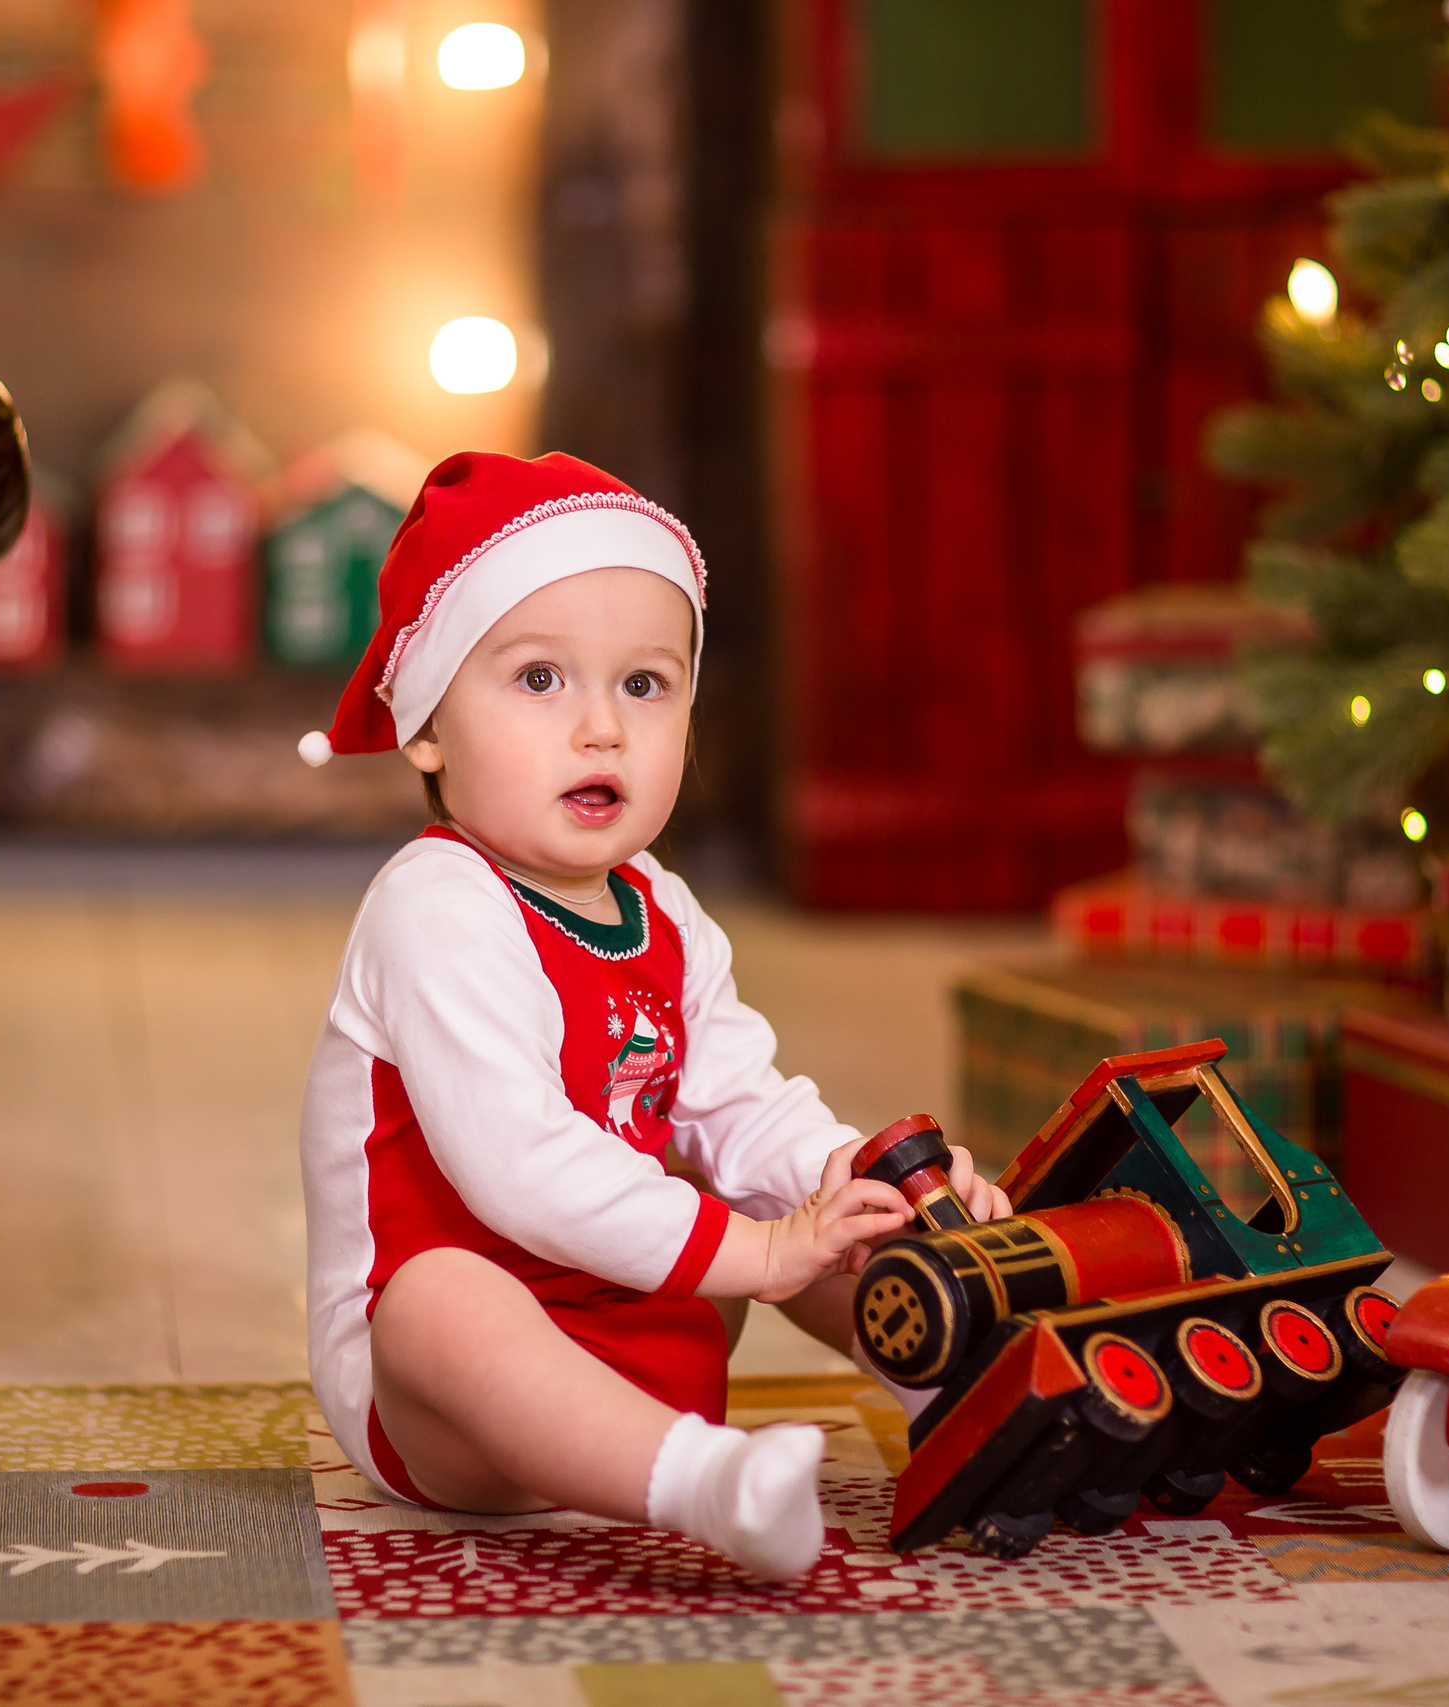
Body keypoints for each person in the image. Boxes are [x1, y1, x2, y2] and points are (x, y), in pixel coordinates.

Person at [294, 450, 1009, 1580]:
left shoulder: (661, 910)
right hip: (445, 1408)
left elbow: (744, 1106)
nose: (601, 730)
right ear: (426, 723)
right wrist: (760, 1251)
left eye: (644, 684)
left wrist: (873, 1187)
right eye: (539, 681)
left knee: (801, 1197)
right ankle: (696, 1482)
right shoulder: (434, 904)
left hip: (638, 1316)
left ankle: (979, 1386)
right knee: (439, 1300)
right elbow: (517, 1169)